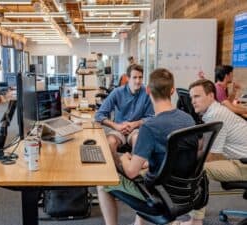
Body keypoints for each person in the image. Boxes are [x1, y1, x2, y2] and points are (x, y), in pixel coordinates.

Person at [97, 68, 197, 225]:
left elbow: (131, 172)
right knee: (145, 169)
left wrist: (124, 158)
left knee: (102, 184)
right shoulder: (189, 119)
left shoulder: (149, 127)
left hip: (157, 193)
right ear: (172, 91)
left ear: (148, 90)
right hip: (185, 191)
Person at [176, 79, 247, 225]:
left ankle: (196, 220)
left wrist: (183, 164)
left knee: (199, 169)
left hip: (244, 165)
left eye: (197, 96)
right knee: (193, 164)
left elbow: (213, 155)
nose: (193, 101)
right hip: (240, 160)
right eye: (191, 98)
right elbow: (204, 145)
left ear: (210, 96)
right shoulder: (212, 112)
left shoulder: (216, 115)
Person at [95, 64, 154, 166]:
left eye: (140, 77)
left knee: (138, 139)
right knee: (110, 142)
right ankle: (118, 168)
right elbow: (99, 115)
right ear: (128, 78)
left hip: (136, 129)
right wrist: (116, 126)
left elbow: (151, 117)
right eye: (134, 77)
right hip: (119, 128)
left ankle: (133, 169)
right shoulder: (117, 92)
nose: (138, 81)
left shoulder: (146, 93)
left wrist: (135, 124)